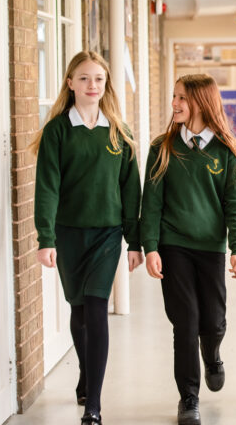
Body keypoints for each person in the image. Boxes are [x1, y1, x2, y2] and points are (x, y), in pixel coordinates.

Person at [33, 51, 142, 425]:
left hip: (107, 235)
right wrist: (45, 237)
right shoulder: (57, 131)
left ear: (105, 84)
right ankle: (85, 371)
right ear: (70, 83)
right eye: (83, 78)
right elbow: (47, 186)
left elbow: (131, 189)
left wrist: (135, 240)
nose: (91, 85)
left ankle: (93, 404)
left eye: (97, 79)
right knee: (78, 311)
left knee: (96, 309)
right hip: (67, 235)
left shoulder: (119, 131)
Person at [141, 74, 236, 425]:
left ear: (202, 103)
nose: (174, 104)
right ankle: (189, 397)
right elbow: (152, 203)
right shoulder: (162, 148)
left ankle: (213, 355)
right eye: (174, 97)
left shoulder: (226, 151)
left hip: (211, 249)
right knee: (184, 323)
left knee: (213, 322)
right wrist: (151, 247)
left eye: (182, 99)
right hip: (174, 247)